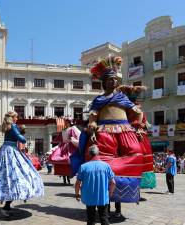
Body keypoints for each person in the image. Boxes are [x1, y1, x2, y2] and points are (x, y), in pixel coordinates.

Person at [73, 56, 144, 210]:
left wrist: (138, 126)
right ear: (104, 82)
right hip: (104, 132)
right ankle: (105, 197)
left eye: (115, 80)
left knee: (136, 153)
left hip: (125, 131)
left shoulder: (123, 98)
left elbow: (138, 113)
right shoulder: (99, 100)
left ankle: (121, 198)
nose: (113, 82)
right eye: (110, 80)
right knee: (101, 159)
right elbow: (93, 116)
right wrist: (92, 125)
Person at [0, 111, 44, 217]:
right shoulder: (13, 126)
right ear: (13, 118)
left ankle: (6, 202)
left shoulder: (7, 127)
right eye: (16, 117)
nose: (17, 119)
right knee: (18, 174)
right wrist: (22, 134)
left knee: (5, 176)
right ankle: (8, 204)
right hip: (11, 151)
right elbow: (22, 139)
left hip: (4, 150)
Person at [75, 145, 116, 225]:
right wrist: (110, 193)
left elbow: (77, 184)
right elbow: (113, 182)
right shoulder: (106, 166)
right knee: (104, 218)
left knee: (91, 219)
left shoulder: (83, 167)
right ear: (98, 153)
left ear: (89, 154)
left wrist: (77, 194)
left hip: (89, 198)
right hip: (103, 197)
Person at [47, 117, 80, 185]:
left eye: (66, 122)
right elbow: (61, 139)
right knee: (63, 161)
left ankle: (67, 179)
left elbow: (74, 137)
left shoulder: (71, 129)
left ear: (69, 122)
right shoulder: (64, 130)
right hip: (64, 147)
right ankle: (65, 179)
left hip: (69, 146)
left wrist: (72, 139)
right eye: (65, 122)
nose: (65, 123)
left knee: (68, 160)